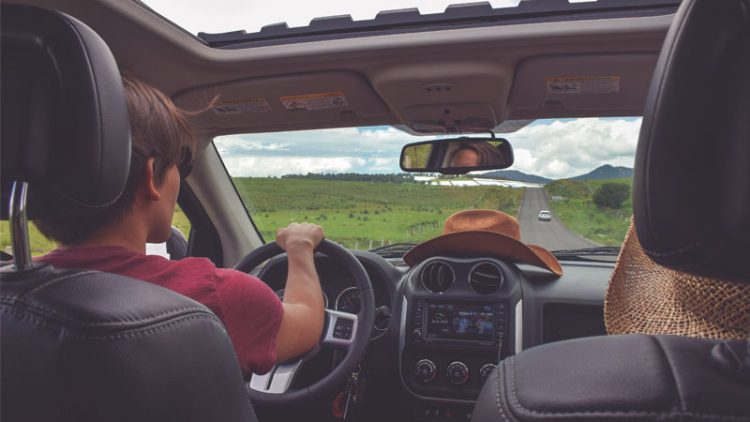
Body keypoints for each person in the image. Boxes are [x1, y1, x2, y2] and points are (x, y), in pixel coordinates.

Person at [34, 75, 325, 376]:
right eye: (179, 165)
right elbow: (306, 324)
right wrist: (300, 248)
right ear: (151, 176)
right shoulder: (213, 296)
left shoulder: (12, 295)